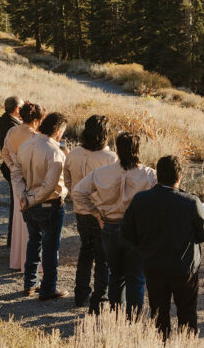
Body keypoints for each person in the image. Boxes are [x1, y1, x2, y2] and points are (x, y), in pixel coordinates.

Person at [122, 155, 204, 340]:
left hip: (154, 266)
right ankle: (187, 344)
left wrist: (142, 251)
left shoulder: (140, 200)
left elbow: (127, 232)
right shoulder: (190, 202)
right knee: (187, 314)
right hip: (184, 268)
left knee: (158, 314)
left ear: (157, 176)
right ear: (179, 177)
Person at [70, 131, 156, 317]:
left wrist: (95, 212)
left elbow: (77, 192)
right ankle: (132, 319)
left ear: (117, 150)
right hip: (136, 230)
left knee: (115, 276)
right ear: (139, 149)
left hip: (109, 227)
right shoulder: (149, 175)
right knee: (136, 278)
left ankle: (116, 317)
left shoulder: (101, 173)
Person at [11, 111, 69, 300]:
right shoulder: (55, 152)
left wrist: (23, 196)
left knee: (33, 243)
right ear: (58, 130)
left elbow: (16, 173)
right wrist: (32, 199)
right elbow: (50, 186)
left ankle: (30, 284)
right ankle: (48, 289)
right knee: (51, 248)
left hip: (29, 203)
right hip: (48, 205)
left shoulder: (26, 145)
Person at [63, 115, 118, 312]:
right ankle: (99, 296)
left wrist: (74, 196)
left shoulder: (74, 153)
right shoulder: (111, 159)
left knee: (86, 251)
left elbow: (67, 179)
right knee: (103, 258)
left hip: (81, 210)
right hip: (102, 213)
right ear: (104, 134)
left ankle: (80, 294)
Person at [1, 101, 44, 272]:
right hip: (32, 177)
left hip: (16, 177)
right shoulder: (35, 136)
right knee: (34, 219)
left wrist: (12, 166)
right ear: (37, 118)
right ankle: (32, 262)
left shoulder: (12, 131)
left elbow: (4, 152)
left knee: (20, 219)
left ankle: (17, 260)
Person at [0, 96, 23, 247]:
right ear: (16, 109)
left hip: (8, 166)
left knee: (16, 201)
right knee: (16, 202)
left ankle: (13, 238)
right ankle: (13, 239)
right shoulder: (11, 124)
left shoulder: (4, 120)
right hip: (12, 167)